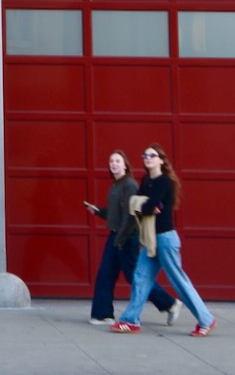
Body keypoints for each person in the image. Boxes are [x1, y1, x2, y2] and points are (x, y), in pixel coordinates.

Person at [110, 143, 217, 337]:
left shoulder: (164, 181)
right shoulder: (146, 181)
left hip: (166, 239)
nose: (148, 158)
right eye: (145, 155)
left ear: (161, 160)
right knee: (140, 278)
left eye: (152, 155)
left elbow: (146, 205)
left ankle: (206, 320)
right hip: (151, 240)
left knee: (179, 282)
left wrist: (146, 205)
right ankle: (130, 321)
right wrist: (146, 205)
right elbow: (138, 203)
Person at [85, 149, 182, 326]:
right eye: (111, 161)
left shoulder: (129, 185)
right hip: (116, 235)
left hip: (127, 238)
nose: (114, 164)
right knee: (106, 274)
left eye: (117, 161)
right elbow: (116, 215)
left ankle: (170, 303)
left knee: (134, 277)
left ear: (125, 165)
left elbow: (131, 216)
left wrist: (121, 239)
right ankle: (102, 314)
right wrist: (99, 211)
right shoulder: (115, 185)